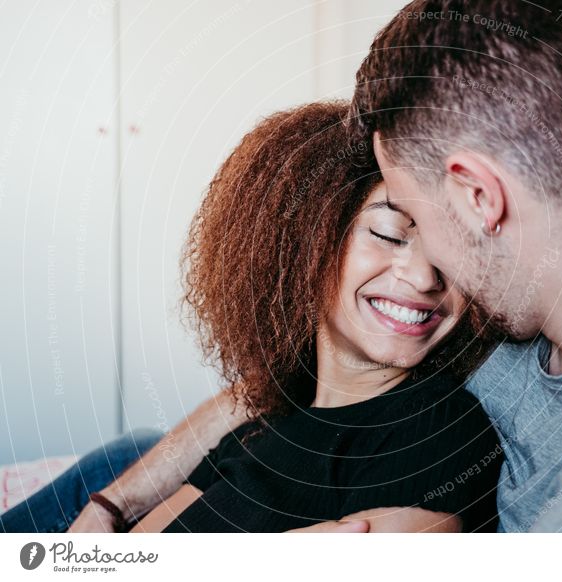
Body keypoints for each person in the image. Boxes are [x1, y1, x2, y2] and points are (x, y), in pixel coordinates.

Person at [55, 0, 562, 533]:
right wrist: (113, 507)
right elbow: (275, 389)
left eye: (418, 214)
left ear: (480, 197)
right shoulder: (534, 324)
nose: (424, 271)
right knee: (119, 454)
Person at [3, 102, 503, 533]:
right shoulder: (273, 410)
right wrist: (110, 509)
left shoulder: (440, 429)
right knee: (133, 448)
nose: (425, 278)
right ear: (307, 245)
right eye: (391, 235)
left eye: (452, 250)